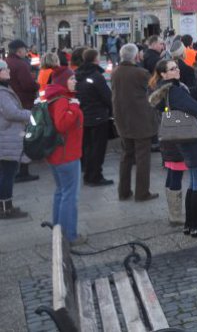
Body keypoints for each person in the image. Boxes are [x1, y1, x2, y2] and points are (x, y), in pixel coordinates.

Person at [148, 60, 197, 236]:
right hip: (196, 142)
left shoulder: (168, 89)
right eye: (172, 69)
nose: (177, 70)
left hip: (186, 141)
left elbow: (192, 96)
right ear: (163, 74)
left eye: (177, 67)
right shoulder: (174, 91)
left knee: (194, 184)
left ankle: (189, 224)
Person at [111, 43, 158, 202]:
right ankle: (142, 192)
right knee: (142, 157)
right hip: (140, 121)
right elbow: (155, 88)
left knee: (126, 156)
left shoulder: (115, 72)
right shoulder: (140, 73)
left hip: (122, 120)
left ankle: (123, 191)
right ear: (136, 56)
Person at [45, 67, 85, 245]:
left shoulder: (55, 96)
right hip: (66, 155)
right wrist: (74, 108)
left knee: (61, 193)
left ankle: (58, 233)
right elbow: (62, 125)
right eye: (71, 79)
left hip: (58, 155)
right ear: (63, 82)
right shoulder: (63, 100)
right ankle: (69, 236)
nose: (75, 81)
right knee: (69, 195)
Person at [75, 48, 114, 187]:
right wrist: (112, 110)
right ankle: (95, 176)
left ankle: (89, 174)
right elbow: (106, 96)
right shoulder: (96, 76)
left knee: (88, 147)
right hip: (98, 116)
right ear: (95, 59)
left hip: (84, 115)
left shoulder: (78, 74)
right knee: (98, 148)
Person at [0, 59, 33, 218]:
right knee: (7, 174)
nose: (8, 71)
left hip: (6, 138)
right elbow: (11, 113)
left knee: (6, 173)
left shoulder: (4, 89)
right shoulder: (1, 92)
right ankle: (6, 209)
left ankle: (4, 206)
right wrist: (29, 114)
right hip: (7, 139)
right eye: (4, 70)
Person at [8, 39, 39, 182]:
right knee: (25, 137)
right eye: (24, 49)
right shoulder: (21, 64)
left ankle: (14, 169)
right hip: (23, 104)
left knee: (14, 137)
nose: (26, 52)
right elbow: (27, 85)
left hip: (10, 105)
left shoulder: (6, 62)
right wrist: (36, 85)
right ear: (19, 50)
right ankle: (23, 171)